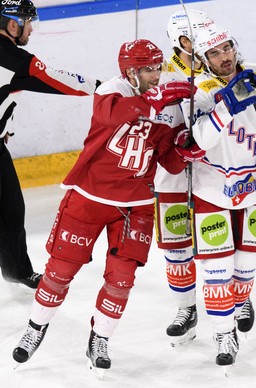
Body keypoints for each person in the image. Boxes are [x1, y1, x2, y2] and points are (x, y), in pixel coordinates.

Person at [11, 38, 203, 378]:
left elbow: (168, 163)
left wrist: (189, 149)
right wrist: (154, 100)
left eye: (158, 67)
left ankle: (100, 338)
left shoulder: (168, 104)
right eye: (148, 69)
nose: (156, 74)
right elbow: (113, 116)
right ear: (130, 71)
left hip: (137, 205)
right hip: (89, 197)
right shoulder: (111, 91)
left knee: (121, 280)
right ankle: (36, 327)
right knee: (59, 271)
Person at [185, 24, 256, 366]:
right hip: (211, 191)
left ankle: (239, 303)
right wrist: (226, 104)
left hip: (254, 188)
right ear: (203, 59)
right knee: (217, 273)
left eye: (227, 48)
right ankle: (223, 334)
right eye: (214, 53)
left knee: (245, 271)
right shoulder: (199, 90)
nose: (224, 57)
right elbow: (201, 139)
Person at [0, 0, 100, 289]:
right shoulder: (13, 59)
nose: (31, 28)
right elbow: (58, 80)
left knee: (10, 208)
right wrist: (104, 88)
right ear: (12, 24)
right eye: (28, 22)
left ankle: (15, 269)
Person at [153, 9, 215, 347]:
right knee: (177, 246)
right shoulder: (163, 79)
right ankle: (186, 309)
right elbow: (158, 131)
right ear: (183, 41)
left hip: (213, 174)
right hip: (173, 178)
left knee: (221, 241)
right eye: (198, 36)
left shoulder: (219, 68)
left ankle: (237, 297)